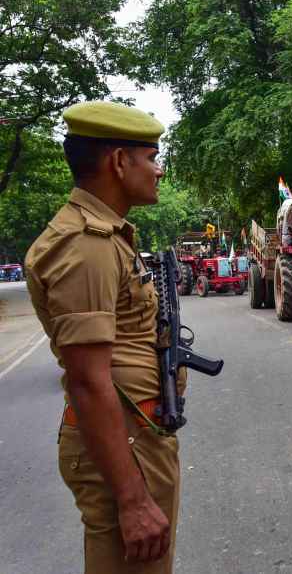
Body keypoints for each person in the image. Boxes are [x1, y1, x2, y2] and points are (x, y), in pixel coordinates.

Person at [24, 101, 178, 573]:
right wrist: (132, 500)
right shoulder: (86, 245)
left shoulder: (107, 237)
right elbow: (89, 380)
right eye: (151, 157)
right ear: (117, 162)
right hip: (124, 449)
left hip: (136, 436)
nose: (159, 170)